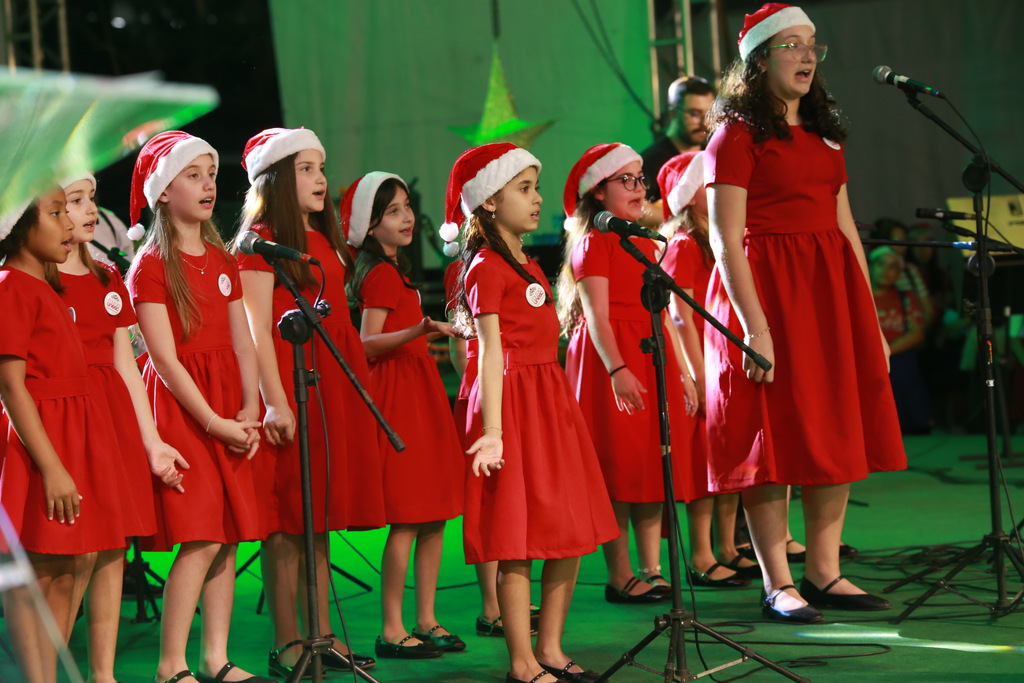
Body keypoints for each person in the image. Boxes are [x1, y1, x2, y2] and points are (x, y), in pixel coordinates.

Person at [703, 3, 906, 623]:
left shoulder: (824, 135)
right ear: (758, 60)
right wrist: (754, 327)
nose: (807, 55)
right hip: (766, 296)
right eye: (791, 44)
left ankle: (824, 571)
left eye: (812, 43)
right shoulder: (735, 136)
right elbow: (723, 238)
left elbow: (845, 228)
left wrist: (868, 319)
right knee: (772, 434)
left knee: (833, 427)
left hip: (827, 297)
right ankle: (778, 582)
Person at [442, 141, 618, 683]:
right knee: (515, 539)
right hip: (511, 403)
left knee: (568, 528)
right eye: (524, 188)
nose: (538, 198)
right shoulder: (485, 267)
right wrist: (493, 431)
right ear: (489, 201)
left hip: (548, 400)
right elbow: (489, 353)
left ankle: (552, 649)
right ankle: (522, 662)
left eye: (536, 187)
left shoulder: (528, 263)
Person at [233, 127, 385, 677]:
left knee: (317, 516)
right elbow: (254, 327)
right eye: (305, 169)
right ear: (274, 180)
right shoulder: (259, 241)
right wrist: (276, 401)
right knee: (288, 518)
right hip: (290, 379)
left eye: (321, 168)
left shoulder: (320, 239)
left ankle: (322, 633)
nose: (320, 180)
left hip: (330, 380)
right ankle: (287, 641)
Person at [125, 131, 269, 683]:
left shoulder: (223, 259)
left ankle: (215, 657)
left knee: (227, 535)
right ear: (163, 192)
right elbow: (162, 359)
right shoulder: (150, 267)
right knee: (202, 533)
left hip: (229, 403)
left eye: (211, 174)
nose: (208, 184)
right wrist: (213, 421)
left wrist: (250, 406)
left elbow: (242, 342)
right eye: (193, 175)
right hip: (185, 409)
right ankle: (170, 665)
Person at [58, 173, 187, 683]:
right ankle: (47, 668)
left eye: (91, 198)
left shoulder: (108, 276)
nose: (91, 209)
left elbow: (127, 367)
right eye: (74, 201)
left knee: (112, 547)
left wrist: (151, 441)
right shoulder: (31, 279)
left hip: (109, 423)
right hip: (64, 421)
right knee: (75, 553)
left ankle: (103, 674)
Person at [557, 143, 699, 604]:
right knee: (618, 468)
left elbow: (661, 314)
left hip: (649, 350)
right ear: (598, 192)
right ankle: (620, 576)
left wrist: (682, 373)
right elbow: (596, 314)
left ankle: (650, 568)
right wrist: (617, 368)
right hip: (611, 358)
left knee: (651, 463)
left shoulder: (643, 243)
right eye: (627, 180)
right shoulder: (593, 243)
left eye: (642, 179)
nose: (640, 188)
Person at [0, 188, 129, 683]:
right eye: (56, 213)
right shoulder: (11, 287)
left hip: (70, 437)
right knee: (38, 571)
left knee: (68, 566)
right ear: (18, 225)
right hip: (41, 445)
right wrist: (52, 467)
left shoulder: (45, 286)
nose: (70, 224)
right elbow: (12, 385)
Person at [343, 172, 465, 660]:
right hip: (399, 399)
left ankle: (426, 619)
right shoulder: (379, 274)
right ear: (370, 225)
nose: (407, 217)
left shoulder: (395, 271)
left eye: (407, 206)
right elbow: (366, 344)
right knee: (409, 519)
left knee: (433, 515)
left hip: (419, 391)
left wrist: (424, 331)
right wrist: (422, 329)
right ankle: (392, 628)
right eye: (393, 211)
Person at [657, 152, 753, 588]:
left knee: (729, 457)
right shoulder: (682, 243)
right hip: (704, 363)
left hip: (721, 358)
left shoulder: (715, 237)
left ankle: (727, 547)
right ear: (686, 195)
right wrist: (697, 376)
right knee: (703, 465)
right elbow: (679, 316)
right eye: (703, 180)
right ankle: (701, 554)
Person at [442, 259, 540, 639]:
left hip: (505, 381)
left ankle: (509, 599)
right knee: (492, 497)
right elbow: (460, 346)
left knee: (515, 496)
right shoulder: (466, 269)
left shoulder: (518, 264)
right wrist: (474, 391)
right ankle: (491, 606)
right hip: (484, 384)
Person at [870, 246, 932, 434]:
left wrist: (885, 352)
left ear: (898, 274)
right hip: (867, 357)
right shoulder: (859, 296)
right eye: (881, 264)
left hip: (897, 356)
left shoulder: (906, 298)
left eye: (892, 267)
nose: (886, 271)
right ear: (869, 266)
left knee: (904, 368)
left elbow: (917, 333)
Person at [641, 75, 716, 203]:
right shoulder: (650, 162)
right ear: (673, 113)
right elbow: (638, 209)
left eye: (709, 114)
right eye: (694, 114)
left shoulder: (713, 157)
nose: (705, 123)